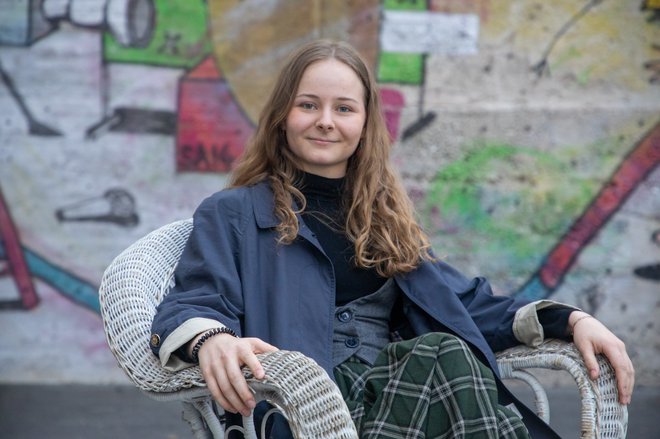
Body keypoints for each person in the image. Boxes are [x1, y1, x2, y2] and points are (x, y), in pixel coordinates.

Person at [150, 39, 634, 438]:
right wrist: (210, 339)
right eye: (308, 105)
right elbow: (194, 297)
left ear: (363, 127)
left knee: (442, 356)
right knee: (442, 355)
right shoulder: (233, 213)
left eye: (344, 108)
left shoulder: (382, 219)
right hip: (307, 411)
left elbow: (461, 303)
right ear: (282, 116)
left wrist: (571, 319)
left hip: (399, 405)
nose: (325, 120)